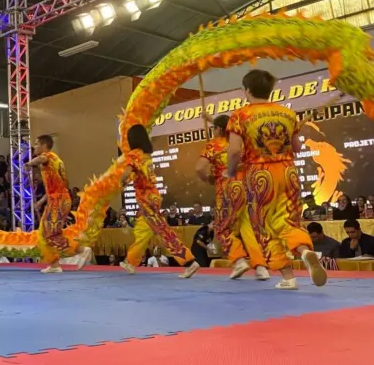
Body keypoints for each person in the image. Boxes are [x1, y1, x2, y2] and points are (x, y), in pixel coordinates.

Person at [225, 70, 326, 290]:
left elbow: (233, 152)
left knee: (265, 227)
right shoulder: (287, 113)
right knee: (288, 221)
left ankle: (288, 277)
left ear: (247, 90)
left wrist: (230, 172)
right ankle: (305, 250)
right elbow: (297, 147)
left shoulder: (240, 115)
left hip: (260, 175)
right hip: (288, 171)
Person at [119, 125, 200, 278]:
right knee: (143, 230)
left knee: (163, 231)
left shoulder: (134, 155)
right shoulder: (146, 155)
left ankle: (189, 262)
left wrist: (121, 182)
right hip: (153, 196)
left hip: (146, 199)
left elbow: (126, 174)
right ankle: (130, 261)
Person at [195, 114, 268, 280]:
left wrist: (208, 178)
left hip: (228, 190)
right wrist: (210, 120)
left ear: (219, 129)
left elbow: (199, 168)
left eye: (214, 128)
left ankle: (239, 259)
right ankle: (261, 267)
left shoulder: (213, 145)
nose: (212, 131)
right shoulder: (241, 143)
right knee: (248, 229)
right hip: (248, 189)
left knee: (221, 228)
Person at [26, 135, 92, 273]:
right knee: (44, 233)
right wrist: (40, 202)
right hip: (56, 199)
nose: (35, 146)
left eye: (37, 144)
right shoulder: (56, 160)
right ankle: (54, 264)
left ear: (44, 145)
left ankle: (81, 250)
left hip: (59, 201)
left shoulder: (48, 157)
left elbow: (40, 159)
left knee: (51, 233)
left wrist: (29, 163)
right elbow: (53, 188)